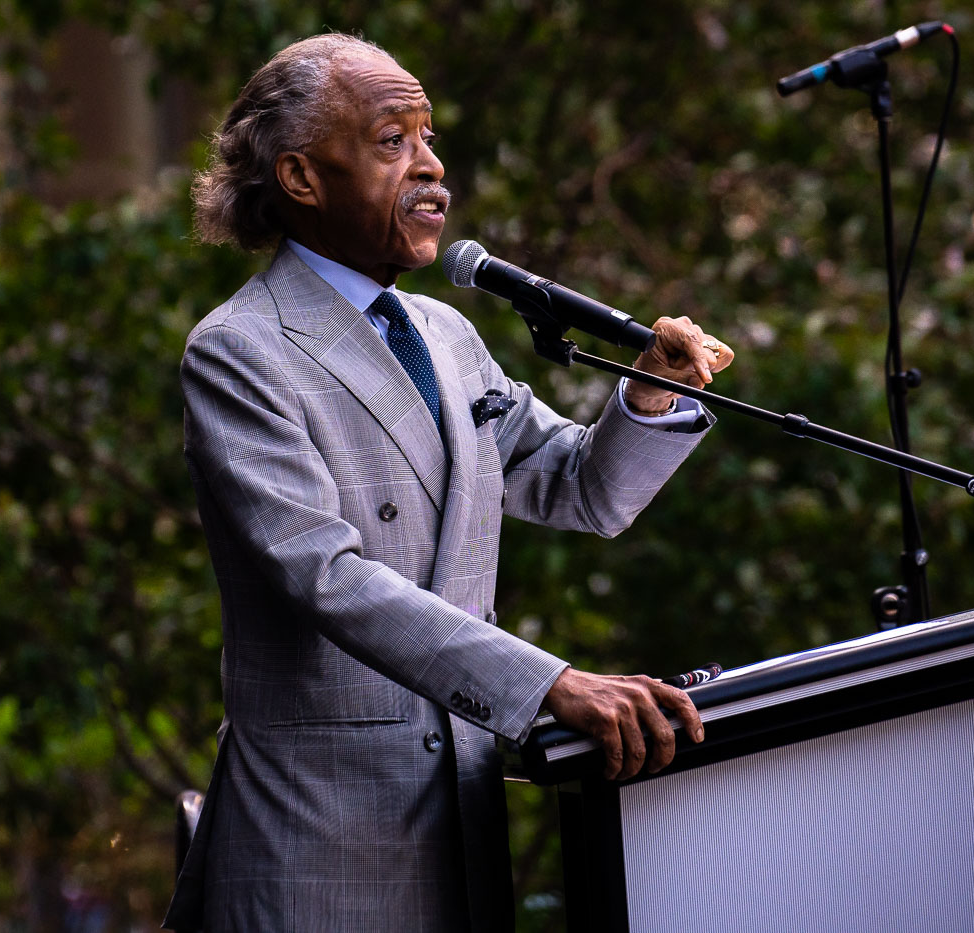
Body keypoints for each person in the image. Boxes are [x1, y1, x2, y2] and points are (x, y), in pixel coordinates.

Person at [164, 33, 734, 933]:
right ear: (303, 178)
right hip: (316, 846)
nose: (432, 168)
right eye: (393, 141)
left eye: (429, 139)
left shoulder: (444, 334)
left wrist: (652, 393)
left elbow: (581, 487)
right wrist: (550, 683)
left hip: (460, 825)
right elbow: (327, 575)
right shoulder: (241, 350)